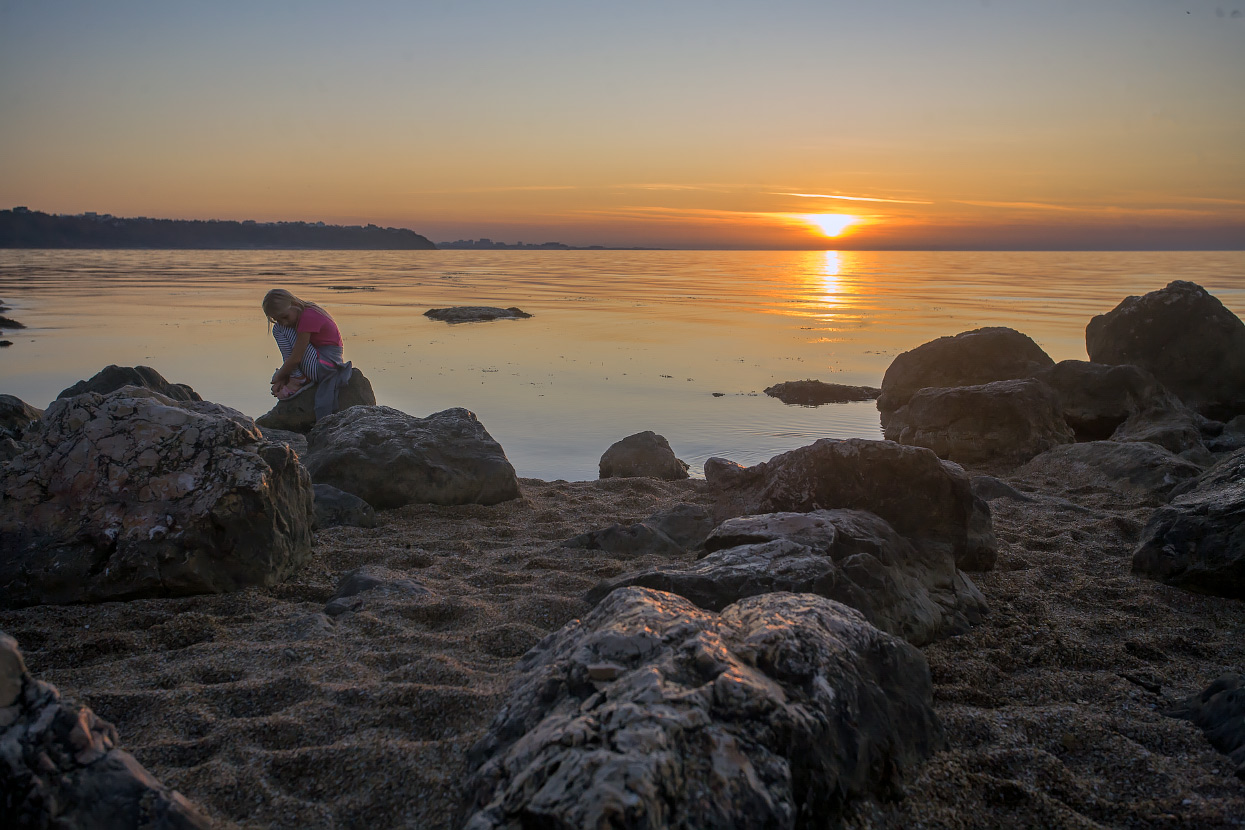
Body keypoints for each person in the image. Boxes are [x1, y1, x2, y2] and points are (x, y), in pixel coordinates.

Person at [261, 288, 352, 421]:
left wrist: (279, 376)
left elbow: (296, 358)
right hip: (324, 361)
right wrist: (283, 375)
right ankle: (295, 376)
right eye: (278, 319)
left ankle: (297, 378)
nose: (284, 322)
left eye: (285, 317)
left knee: (279, 329)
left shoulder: (308, 317)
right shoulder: (308, 309)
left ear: (294, 304)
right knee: (281, 327)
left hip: (324, 366)